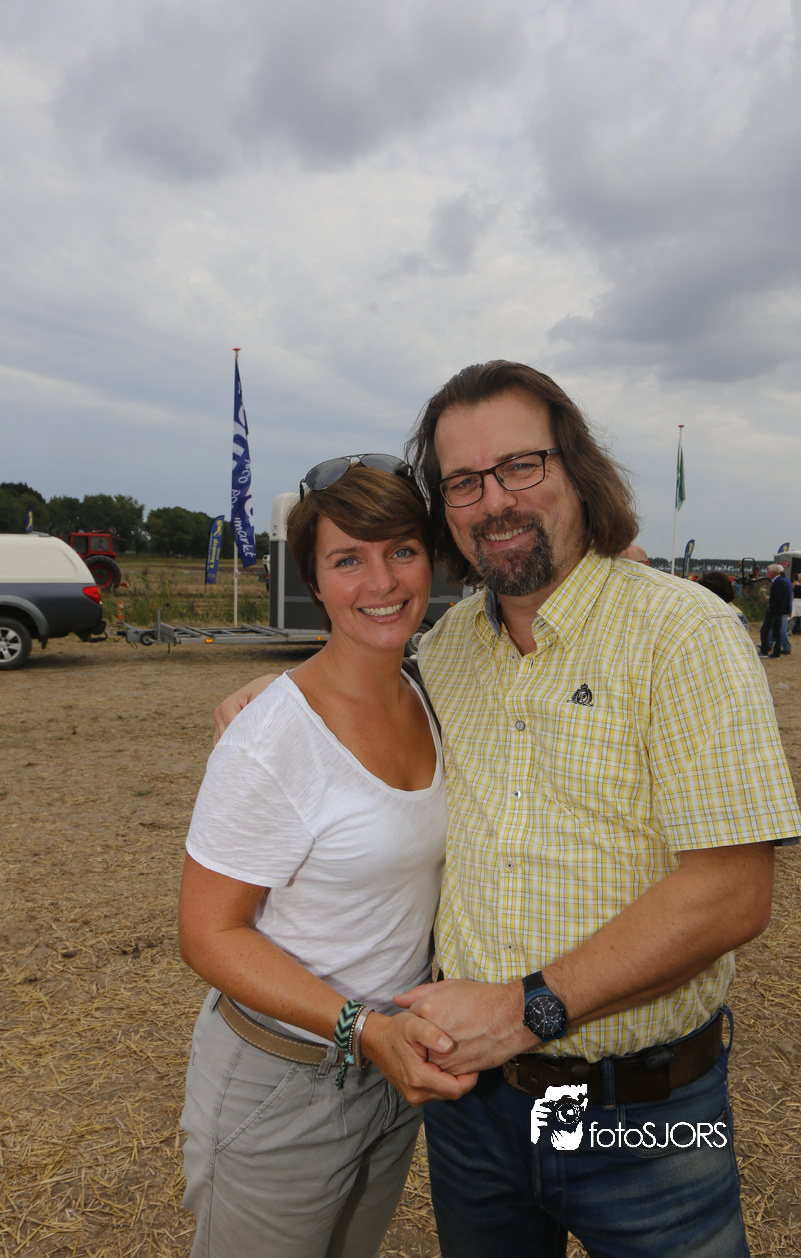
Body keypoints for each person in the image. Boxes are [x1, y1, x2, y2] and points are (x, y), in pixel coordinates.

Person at [215, 362, 801, 1257]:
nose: (494, 500)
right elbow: (363, 684)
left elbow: (732, 893)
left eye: (520, 466)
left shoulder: (684, 633)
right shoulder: (450, 647)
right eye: (463, 481)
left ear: (577, 469)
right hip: (474, 1114)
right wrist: (283, 694)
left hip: (642, 1117)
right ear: (445, 509)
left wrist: (528, 1010)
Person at [179, 457, 475, 1258]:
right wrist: (361, 1027)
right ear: (313, 580)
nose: (381, 581)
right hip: (283, 1077)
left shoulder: (432, 692)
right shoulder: (271, 738)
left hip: (391, 1069)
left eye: (401, 550)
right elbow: (208, 934)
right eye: (348, 559)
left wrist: (383, 1038)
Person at [759, 562, 793, 658]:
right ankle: (776, 652)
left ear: (774, 572)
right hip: (781, 611)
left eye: (768, 570)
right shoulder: (783, 581)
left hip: (775, 611)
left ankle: (764, 650)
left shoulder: (778, 582)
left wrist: (771, 607)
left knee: (765, 630)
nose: (767, 572)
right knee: (776, 631)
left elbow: (778, 598)